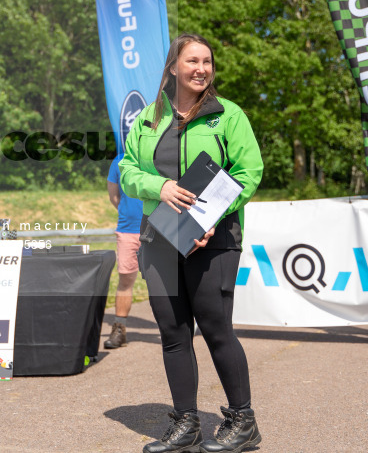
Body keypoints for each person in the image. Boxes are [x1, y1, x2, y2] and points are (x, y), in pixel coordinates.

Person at [120, 34, 264, 453]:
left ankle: (243, 421)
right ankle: (186, 424)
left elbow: (248, 171)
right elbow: (127, 170)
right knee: (173, 333)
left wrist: (209, 218)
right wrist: (158, 185)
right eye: (192, 61)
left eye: (207, 61)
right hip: (159, 237)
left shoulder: (228, 116)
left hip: (214, 239)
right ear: (173, 68)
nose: (201, 68)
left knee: (217, 329)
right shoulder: (148, 119)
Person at [104, 155, 143, 349]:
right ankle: (120, 330)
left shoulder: (159, 152)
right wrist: (129, 212)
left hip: (159, 229)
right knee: (125, 280)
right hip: (128, 229)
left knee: (166, 281)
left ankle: (174, 330)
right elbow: (114, 197)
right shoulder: (119, 160)